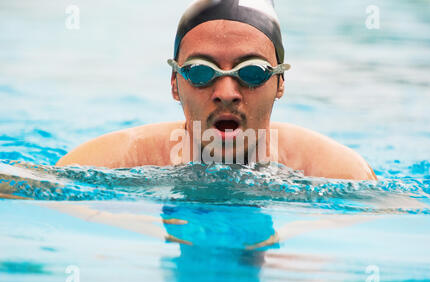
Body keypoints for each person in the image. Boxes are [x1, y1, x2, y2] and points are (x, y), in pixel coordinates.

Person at [56, 0, 377, 181]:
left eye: (252, 72)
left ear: (280, 83)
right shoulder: (110, 162)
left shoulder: (338, 172)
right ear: (174, 83)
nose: (226, 92)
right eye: (201, 72)